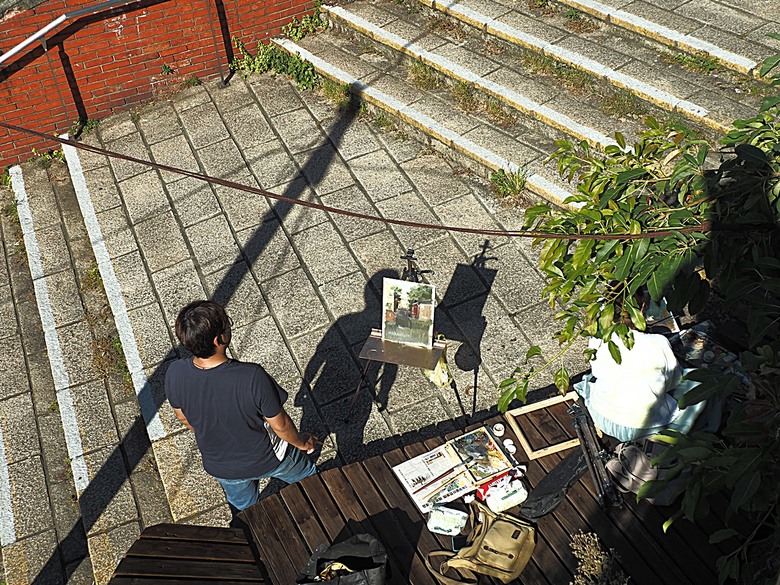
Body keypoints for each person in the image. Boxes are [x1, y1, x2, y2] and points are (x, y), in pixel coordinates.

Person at [165, 300, 317, 513]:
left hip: (222, 467)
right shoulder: (252, 376)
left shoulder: (175, 373)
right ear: (220, 339)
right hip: (271, 457)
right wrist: (301, 442)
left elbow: (183, 418)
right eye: (228, 323)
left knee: (244, 509)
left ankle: (250, 535)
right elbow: (280, 425)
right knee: (307, 479)